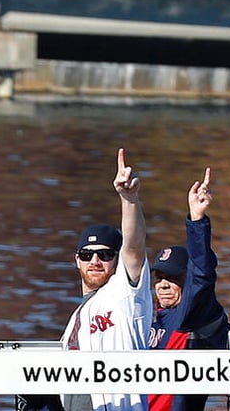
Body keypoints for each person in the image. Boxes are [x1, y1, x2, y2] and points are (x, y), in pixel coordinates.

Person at [62, 148, 152, 411]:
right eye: (87, 255)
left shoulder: (124, 292)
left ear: (117, 259)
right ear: (76, 259)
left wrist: (129, 199)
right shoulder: (75, 319)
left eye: (105, 255)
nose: (95, 262)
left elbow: (135, 248)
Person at [148, 167, 230, 411]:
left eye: (172, 278)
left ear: (186, 280)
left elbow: (202, 275)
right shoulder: (147, 318)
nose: (163, 285)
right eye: (159, 278)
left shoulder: (191, 315)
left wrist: (197, 220)